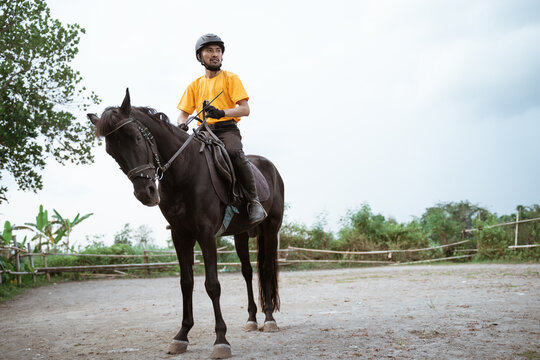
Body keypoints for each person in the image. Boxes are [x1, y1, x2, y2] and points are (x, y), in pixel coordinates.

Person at [176, 33, 267, 224]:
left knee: (234, 153)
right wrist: (181, 123)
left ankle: (253, 201)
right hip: (203, 131)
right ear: (199, 57)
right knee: (184, 158)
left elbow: (245, 109)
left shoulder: (231, 78)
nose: (215, 54)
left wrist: (221, 113)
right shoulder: (194, 85)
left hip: (226, 129)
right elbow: (183, 113)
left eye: (218, 50)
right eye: (209, 50)